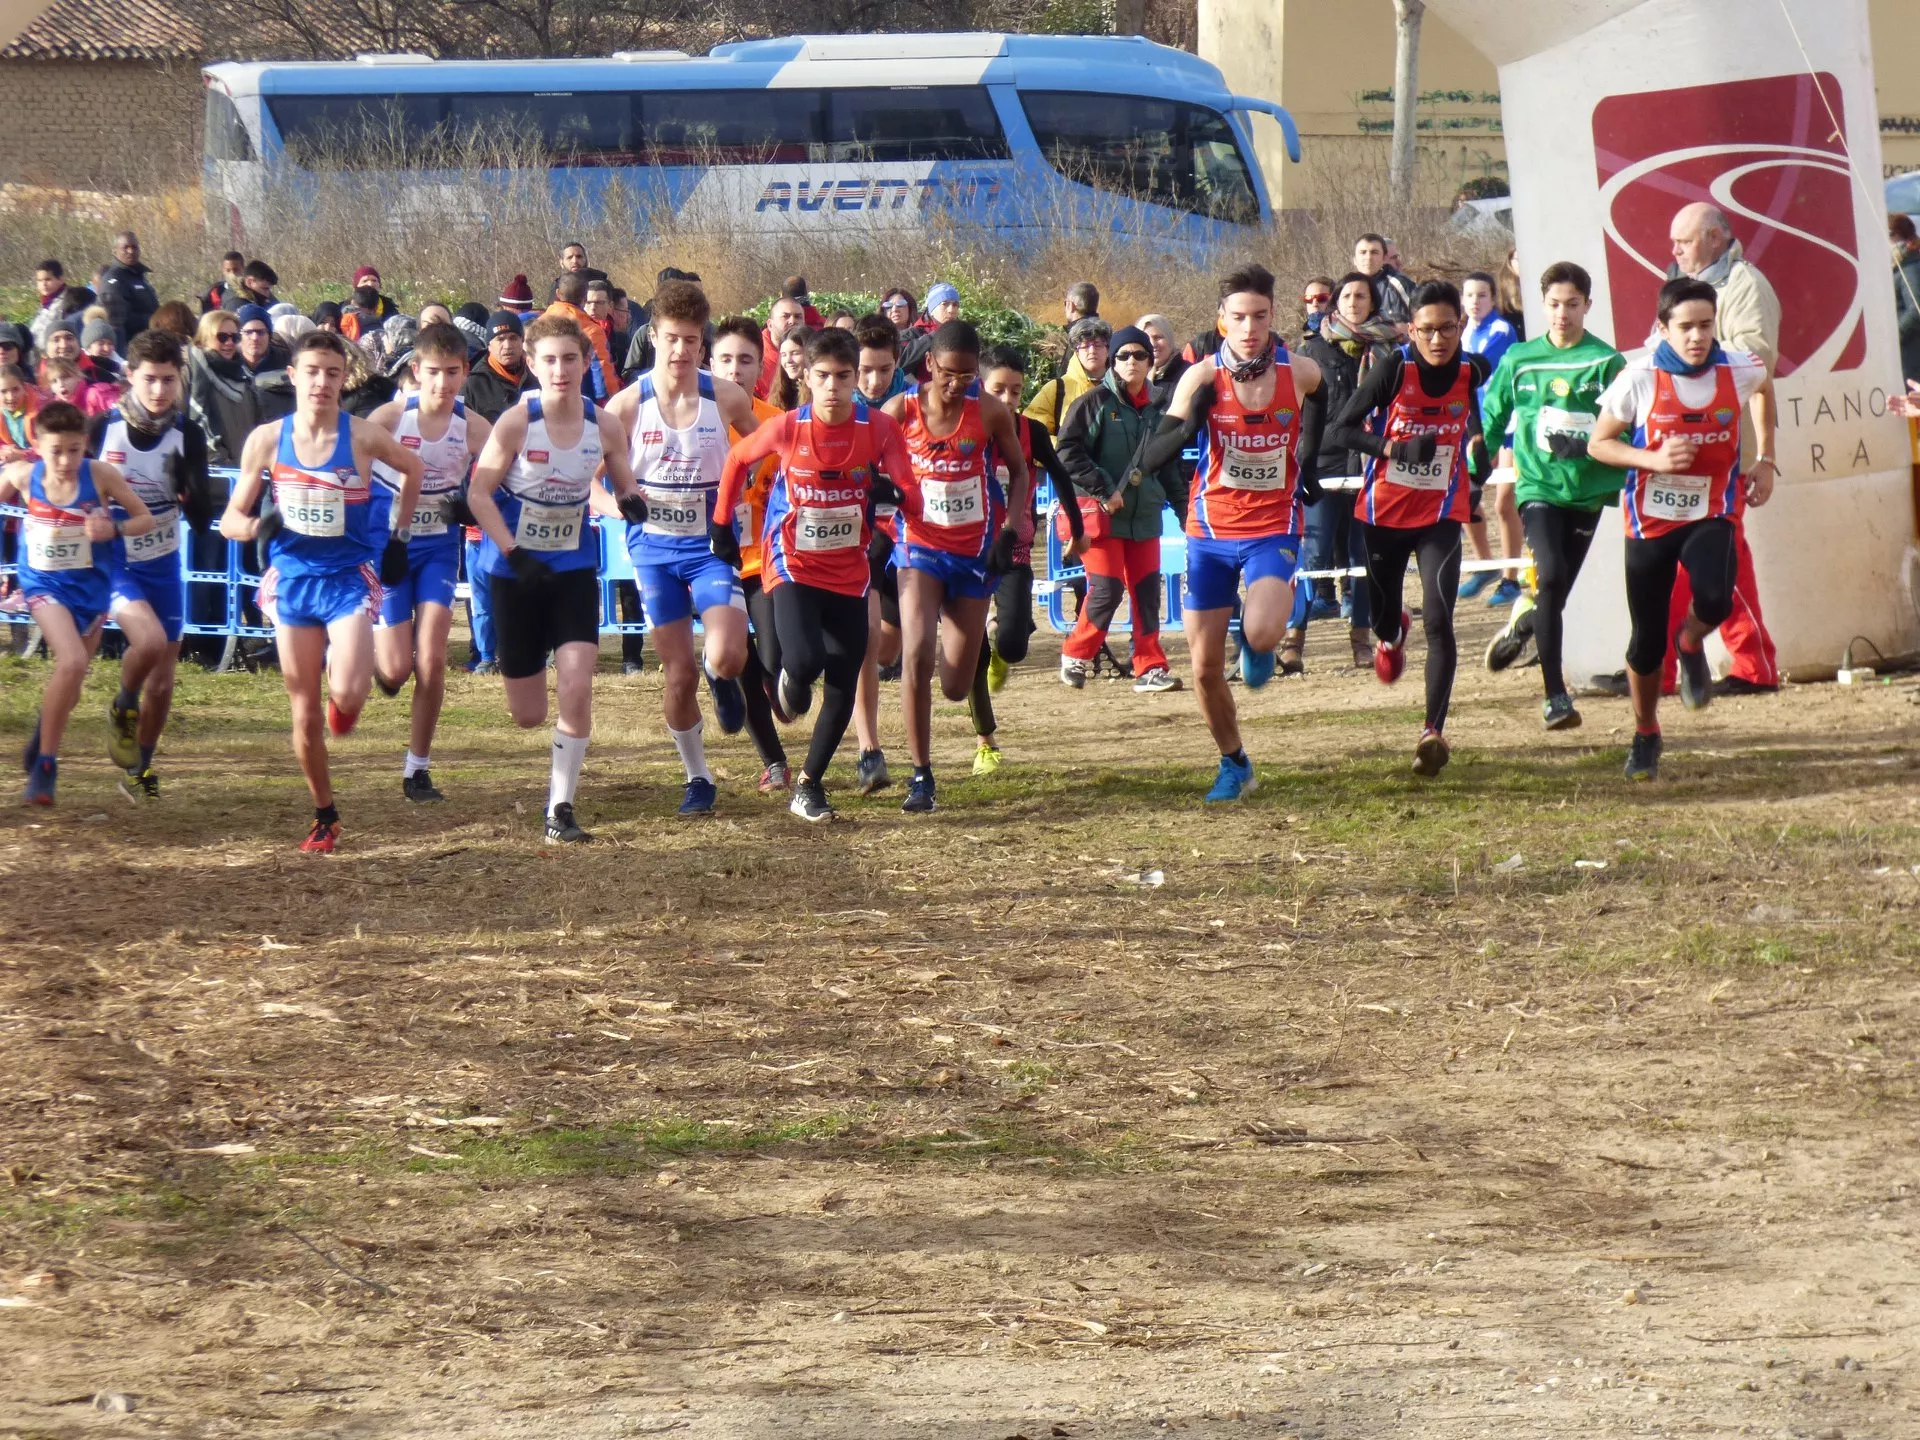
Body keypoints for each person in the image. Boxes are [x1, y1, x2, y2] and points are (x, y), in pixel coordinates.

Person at [220, 331, 423, 852]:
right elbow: (229, 521)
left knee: (350, 693)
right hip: (293, 581)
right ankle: (324, 814)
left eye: (333, 373)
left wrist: (398, 536)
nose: (322, 382)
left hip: (346, 579)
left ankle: (345, 703)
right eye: (312, 371)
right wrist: (257, 528)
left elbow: (413, 468)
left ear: (343, 378)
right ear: (294, 376)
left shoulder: (362, 437)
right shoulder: (267, 439)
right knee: (303, 711)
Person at [712, 327, 917, 822]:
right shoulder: (788, 427)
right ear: (806, 375)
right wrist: (722, 523)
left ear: (855, 379)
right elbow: (739, 459)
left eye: (843, 377)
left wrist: (887, 516)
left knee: (845, 676)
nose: (832, 387)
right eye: (822, 376)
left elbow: (908, 489)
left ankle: (809, 784)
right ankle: (791, 677)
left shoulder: (878, 430)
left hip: (850, 570)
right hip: (793, 564)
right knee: (802, 666)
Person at [1137, 263, 1326, 802]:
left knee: (1264, 634)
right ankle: (1234, 763)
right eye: (1238, 317)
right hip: (1211, 529)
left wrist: (1306, 465)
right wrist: (1136, 472)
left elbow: (1323, 400)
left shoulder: (1301, 372)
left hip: (1273, 526)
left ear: (1272, 316)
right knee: (1203, 669)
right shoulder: (1200, 378)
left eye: (1259, 316)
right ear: (1222, 320)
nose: (1249, 328)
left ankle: (1260, 645)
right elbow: (1163, 443)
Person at [1588, 277, 1776, 781]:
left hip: (1711, 510)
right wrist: (1651, 457)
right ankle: (1646, 730)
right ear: (1662, 328)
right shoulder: (1640, 375)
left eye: (1705, 326)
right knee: (1646, 642)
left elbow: (1764, 385)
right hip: (1650, 521)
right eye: (1686, 327)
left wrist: (1764, 460)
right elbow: (1599, 444)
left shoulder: (1737, 367)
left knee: (1714, 599)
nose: (1697, 337)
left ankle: (1691, 641)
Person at [466, 313, 641, 843]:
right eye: (550, 360)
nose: (561, 369)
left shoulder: (604, 424)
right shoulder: (517, 423)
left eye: (571, 358)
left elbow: (622, 484)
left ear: (586, 363)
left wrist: (631, 504)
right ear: (533, 365)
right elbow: (477, 494)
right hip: (515, 570)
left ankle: (559, 809)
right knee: (528, 713)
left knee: (577, 685)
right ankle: (522, 672)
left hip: (572, 566)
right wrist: (511, 549)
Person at [605, 279, 761, 817]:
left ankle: (723, 680)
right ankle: (698, 777)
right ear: (653, 337)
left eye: (691, 341)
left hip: (710, 546)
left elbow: (761, 449)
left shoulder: (728, 397)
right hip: (652, 550)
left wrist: (744, 490)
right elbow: (597, 481)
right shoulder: (626, 405)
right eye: (671, 338)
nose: (680, 351)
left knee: (727, 654)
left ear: (702, 342)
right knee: (677, 673)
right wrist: (622, 501)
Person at [1330, 280, 1494, 778]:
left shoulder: (1474, 369)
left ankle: (1432, 733)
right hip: (1383, 513)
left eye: (1447, 328)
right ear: (1413, 330)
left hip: (1440, 513)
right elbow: (1342, 428)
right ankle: (1389, 632)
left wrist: (1478, 450)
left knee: (1441, 617)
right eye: (1427, 330)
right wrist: (1396, 450)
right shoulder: (1393, 368)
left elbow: (1471, 416)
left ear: (1460, 326)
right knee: (1383, 620)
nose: (1438, 339)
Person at [882, 321, 1030, 814]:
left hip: (974, 552)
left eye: (967, 376)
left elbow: (1021, 473)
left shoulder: (987, 411)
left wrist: (1009, 530)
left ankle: (966, 686)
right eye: (949, 374)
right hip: (918, 547)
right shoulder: (900, 410)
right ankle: (921, 775)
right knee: (917, 654)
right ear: (930, 365)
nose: (956, 384)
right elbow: (870, 464)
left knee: (953, 685)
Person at [1479, 262, 1626, 729]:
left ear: (1588, 305)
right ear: (1541, 305)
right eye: (1554, 305)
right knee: (1553, 574)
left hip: (1586, 490)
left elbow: (1631, 425)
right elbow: (1491, 417)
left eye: (1572, 305)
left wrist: (1600, 449)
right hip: (1537, 488)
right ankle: (1555, 697)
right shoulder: (1519, 359)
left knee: (1554, 593)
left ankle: (1526, 621)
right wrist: (1469, 474)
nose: (1562, 314)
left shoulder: (1606, 362)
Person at [3, 402, 155, 804]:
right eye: (56, 451)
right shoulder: (22, 475)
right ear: (37, 445)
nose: (66, 460)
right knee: (70, 662)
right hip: (42, 585)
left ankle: (43, 733)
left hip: (91, 589)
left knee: (71, 682)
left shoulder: (101, 475)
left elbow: (145, 520)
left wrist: (114, 528)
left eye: (74, 449)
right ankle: (46, 767)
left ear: (85, 444)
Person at [367, 323, 492, 802]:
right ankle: (384, 666)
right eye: (434, 373)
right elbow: (350, 466)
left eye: (453, 373)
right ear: (416, 371)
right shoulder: (389, 418)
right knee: (398, 669)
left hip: (440, 545)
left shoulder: (473, 426)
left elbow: (507, 474)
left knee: (434, 658)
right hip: (391, 545)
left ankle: (417, 767)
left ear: (465, 373)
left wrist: (473, 500)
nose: (443, 384)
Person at [1664, 200, 1781, 695]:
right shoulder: (1680, 284)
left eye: (1683, 241)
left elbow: (1759, 362)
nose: (1673, 250)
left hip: (1724, 446)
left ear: (1715, 237)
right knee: (1663, 557)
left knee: (1726, 558)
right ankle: (1657, 666)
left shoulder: (1745, 286)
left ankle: (1754, 666)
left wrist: (1686, 349)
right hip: (1673, 448)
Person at [95, 330, 213, 799]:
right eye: (150, 380)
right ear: (130, 377)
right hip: (114, 559)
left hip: (163, 560)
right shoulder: (103, 427)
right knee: (147, 640)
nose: (160, 391)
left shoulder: (188, 434)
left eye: (168, 380)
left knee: (163, 684)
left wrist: (189, 492)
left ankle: (138, 769)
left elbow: (203, 522)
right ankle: (123, 704)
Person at [968, 345, 1088, 771]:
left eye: (1015, 392)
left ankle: (1004, 643)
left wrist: (1077, 526)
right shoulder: (962, 428)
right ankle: (986, 743)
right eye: (998, 390)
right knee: (971, 656)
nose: (1006, 400)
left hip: (1014, 550)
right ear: (979, 387)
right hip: (964, 553)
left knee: (1013, 645)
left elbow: (1060, 475)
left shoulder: (1029, 432)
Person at [1053, 325, 1178, 697]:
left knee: (1146, 594)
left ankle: (1150, 667)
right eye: (1124, 355)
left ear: (1149, 360)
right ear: (1112, 359)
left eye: (1140, 355)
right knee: (1106, 589)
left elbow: (1168, 464)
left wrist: (1186, 507)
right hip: (1104, 516)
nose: (1132, 362)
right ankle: (1075, 653)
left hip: (1145, 516)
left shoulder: (1160, 407)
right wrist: (1105, 487)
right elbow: (1067, 453)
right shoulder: (1093, 403)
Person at [1288, 271, 1398, 672]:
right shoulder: (1311, 351)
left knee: (1363, 557)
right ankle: (1293, 640)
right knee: (1312, 556)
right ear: (1336, 302)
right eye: (1348, 295)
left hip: (1370, 463)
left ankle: (1361, 639)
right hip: (1322, 461)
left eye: (1362, 296)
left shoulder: (1390, 351)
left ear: (1373, 302)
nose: (1355, 302)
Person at [708, 314, 793, 794]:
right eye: (725, 359)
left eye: (746, 360)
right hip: (715, 559)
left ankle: (736, 673)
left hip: (766, 559)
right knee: (739, 658)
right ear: (710, 363)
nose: (735, 369)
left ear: (761, 367)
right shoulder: (694, 419)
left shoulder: (775, 423)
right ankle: (774, 762)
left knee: (776, 661)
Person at [849, 318, 907, 794]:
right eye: (864, 371)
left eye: (883, 369)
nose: (873, 382)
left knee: (889, 648)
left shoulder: (912, 404)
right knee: (867, 645)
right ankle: (869, 751)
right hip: (858, 544)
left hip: (906, 538)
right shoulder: (835, 407)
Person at [1459, 270, 1525, 607]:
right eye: (1469, 295)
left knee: (1503, 501)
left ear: (1493, 299)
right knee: (1464, 500)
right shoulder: (1463, 330)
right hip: (1475, 428)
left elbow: (1474, 369)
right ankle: (1485, 565)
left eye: (1482, 295)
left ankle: (1511, 577)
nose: (1474, 302)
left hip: (1507, 426)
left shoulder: (1501, 331)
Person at [187, 310, 261, 466]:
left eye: (234, 337)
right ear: (205, 338)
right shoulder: (192, 372)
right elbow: (194, 422)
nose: (229, 343)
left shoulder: (244, 375)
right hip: (214, 470)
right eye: (222, 337)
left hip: (247, 467)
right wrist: (220, 458)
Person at [1024, 316, 1109, 437]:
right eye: (1085, 345)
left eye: (1098, 344)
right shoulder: (1056, 389)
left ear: (1108, 349)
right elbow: (1033, 432)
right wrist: (1064, 450)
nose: (1092, 350)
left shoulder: (1121, 387)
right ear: (1076, 351)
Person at [544, 273, 622, 402]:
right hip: (582, 402)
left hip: (547, 399)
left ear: (558, 293)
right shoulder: (591, 330)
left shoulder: (540, 324)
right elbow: (603, 371)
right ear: (584, 297)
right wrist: (611, 401)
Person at [461, 310, 537, 420]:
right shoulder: (473, 385)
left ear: (522, 341)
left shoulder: (537, 374)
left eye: (513, 338)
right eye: (500, 339)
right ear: (489, 345)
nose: (507, 346)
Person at [100, 232, 158, 347]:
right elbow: (117, 321)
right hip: (131, 347)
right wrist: (155, 320)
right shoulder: (113, 280)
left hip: (149, 343)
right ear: (115, 251)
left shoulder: (139, 277)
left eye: (134, 247)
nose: (131, 251)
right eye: (125, 248)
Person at [900, 283, 961, 380]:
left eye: (955, 305)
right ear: (932, 309)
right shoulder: (912, 334)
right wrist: (937, 335)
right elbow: (899, 364)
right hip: (921, 393)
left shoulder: (963, 334)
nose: (951, 310)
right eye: (945, 304)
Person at [1353, 234, 1412, 328]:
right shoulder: (1345, 289)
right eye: (1363, 252)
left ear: (1384, 258)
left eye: (1374, 252)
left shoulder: (1399, 284)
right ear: (1355, 260)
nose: (1368, 257)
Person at [757, 296, 808, 400]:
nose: (792, 321)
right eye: (786, 316)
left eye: (798, 317)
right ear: (770, 325)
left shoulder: (816, 353)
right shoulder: (755, 356)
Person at [1895, 215, 1920, 386]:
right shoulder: (1899, 267)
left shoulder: (1909, 268)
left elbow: (1916, 309)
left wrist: (1893, 336)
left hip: (1911, 358)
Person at [772, 327, 810, 411]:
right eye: (784, 355)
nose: (788, 360)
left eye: (795, 353)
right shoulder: (784, 392)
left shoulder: (819, 396)